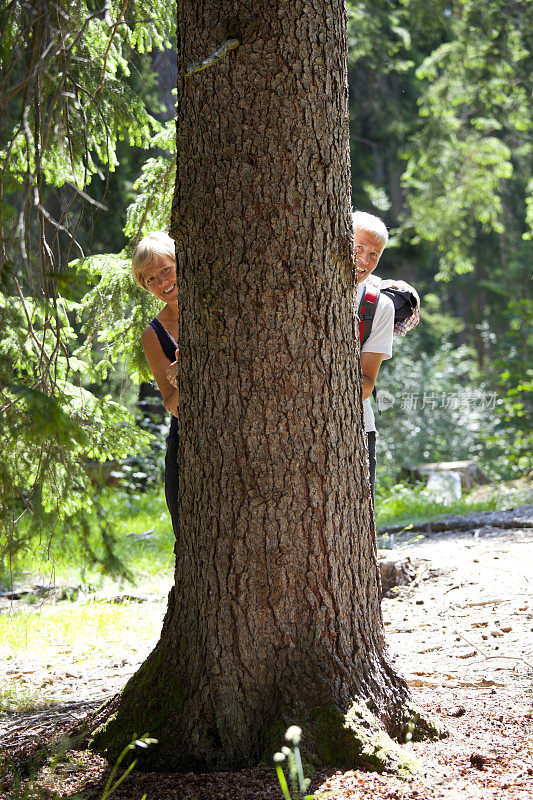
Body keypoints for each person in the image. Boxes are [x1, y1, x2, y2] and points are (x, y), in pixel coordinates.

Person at [132, 231, 179, 537]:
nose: (162, 282)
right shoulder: (153, 335)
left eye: (166, 270)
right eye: (151, 279)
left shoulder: (220, 308)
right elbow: (173, 405)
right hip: (188, 446)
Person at [352, 210, 395, 507]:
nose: (364, 261)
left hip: (357, 429)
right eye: (358, 248)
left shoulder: (378, 306)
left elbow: (366, 384)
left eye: (374, 255)